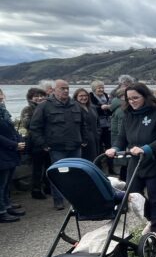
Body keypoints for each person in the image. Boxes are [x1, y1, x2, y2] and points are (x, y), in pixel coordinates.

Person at [105, 83, 156, 239]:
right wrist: (114, 148)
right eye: (129, 99)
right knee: (132, 194)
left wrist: (146, 148)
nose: (132, 101)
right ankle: (151, 218)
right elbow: (122, 137)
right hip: (136, 162)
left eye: (136, 98)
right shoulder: (128, 115)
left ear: (145, 97)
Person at [29, 79, 88, 210]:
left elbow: (83, 124)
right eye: (62, 88)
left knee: (76, 173)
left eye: (67, 88)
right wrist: (43, 144)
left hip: (75, 146)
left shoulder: (75, 105)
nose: (66, 90)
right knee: (58, 174)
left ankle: (76, 199)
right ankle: (58, 200)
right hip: (56, 148)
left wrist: (84, 139)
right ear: (54, 90)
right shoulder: (44, 106)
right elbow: (35, 127)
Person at [19, 87, 50, 199]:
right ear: (30, 98)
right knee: (37, 168)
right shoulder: (27, 109)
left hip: (48, 141)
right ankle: (36, 190)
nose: (39, 98)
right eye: (36, 96)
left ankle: (48, 187)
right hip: (34, 142)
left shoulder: (48, 107)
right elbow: (28, 124)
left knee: (49, 165)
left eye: (42, 95)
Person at [0, 89, 26, 222]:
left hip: (10, 152)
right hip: (2, 152)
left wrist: (20, 140)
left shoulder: (3, 111)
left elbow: (11, 129)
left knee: (6, 183)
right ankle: (1, 212)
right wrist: (14, 144)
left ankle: (7, 206)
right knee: (1, 183)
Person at [89, 80, 114, 173]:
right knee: (98, 147)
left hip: (107, 124)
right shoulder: (90, 97)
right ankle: (98, 167)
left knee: (109, 146)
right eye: (99, 88)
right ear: (94, 89)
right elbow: (91, 108)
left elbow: (110, 109)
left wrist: (108, 108)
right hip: (97, 125)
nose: (101, 89)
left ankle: (111, 168)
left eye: (102, 87)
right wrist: (101, 108)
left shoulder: (107, 96)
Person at [73, 88, 100, 162]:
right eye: (81, 96)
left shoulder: (92, 107)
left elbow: (97, 122)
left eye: (85, 95)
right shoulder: (74, 108)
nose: (84, 98)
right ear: (76, 97)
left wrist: (98, 133)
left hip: (95, 137)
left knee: (96, 157)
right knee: (86, 159)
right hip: (83, 139)